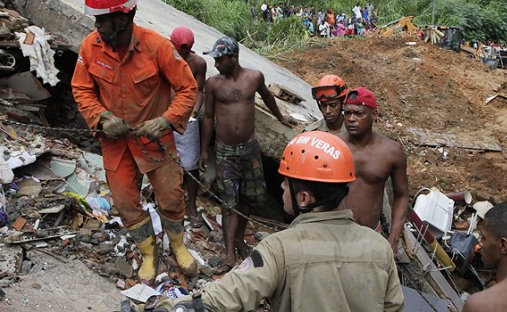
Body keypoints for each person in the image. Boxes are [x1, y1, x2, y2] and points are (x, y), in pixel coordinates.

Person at [143, 131, 404, 311]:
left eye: (286, 181)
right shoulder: (378, 246)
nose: (280, 186)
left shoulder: (280, 248)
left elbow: (229, 295)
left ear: (304, 198)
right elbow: (392, 305)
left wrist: (173, 306)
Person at [72, 0, 198, 283]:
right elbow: (81, 89)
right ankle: (149, 253)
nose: (97, 26)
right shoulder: (90, 47)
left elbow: (188, 88)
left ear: (123, 18)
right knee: (125, 202)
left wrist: (165, 120)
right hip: (115, 143)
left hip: (155, 139)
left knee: (170, 196)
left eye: (103, 20)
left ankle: (178, 245)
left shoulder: (157, 47)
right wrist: (102, 117)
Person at [200, 36, 298, 273]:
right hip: (225, 151)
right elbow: (208, 117)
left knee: (249, 198)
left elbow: (267, 96)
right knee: (228, 201)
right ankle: (229, 253)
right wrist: (204, 149)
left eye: (220, 59)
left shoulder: (254, 77)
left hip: (250, 149)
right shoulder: (213, 84)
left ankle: (239, 239)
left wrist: (281, 117)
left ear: (234, 58)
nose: (215, 64)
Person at [338, 88, 410, 251]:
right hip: (333, 234)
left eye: (358, 113)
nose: (351, 119)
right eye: (347, 113)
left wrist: (393, 238)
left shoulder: (391, 152)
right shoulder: (334, 145)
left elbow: (402, 195)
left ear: (374, 115)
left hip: (369, 237)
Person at [170, 26, 207, 226]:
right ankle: (163, 201)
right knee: (160, 159)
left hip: (187, 119)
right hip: (164, 115)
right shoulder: (164, 56)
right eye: (179, 49)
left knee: (191, 165)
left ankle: (191, 205)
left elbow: (199, 91)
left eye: (186, 50)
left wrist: (195, 109)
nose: (182, 54)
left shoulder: (198, 64)